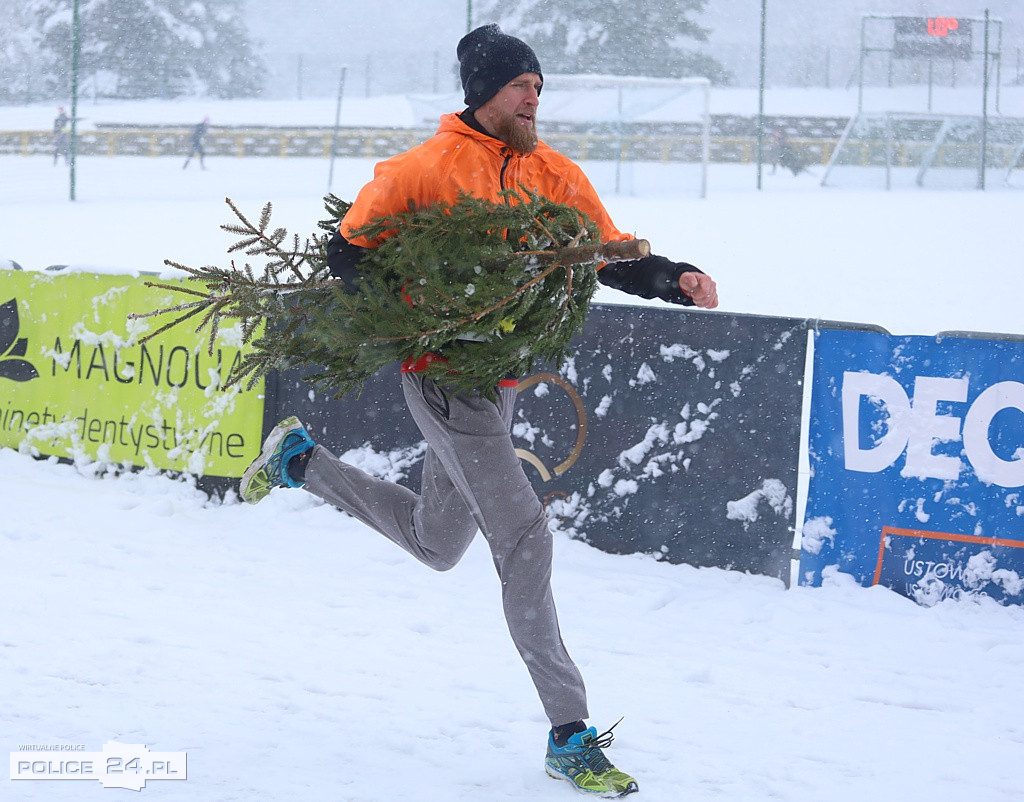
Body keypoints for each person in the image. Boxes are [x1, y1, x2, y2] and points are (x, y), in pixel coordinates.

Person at [240, 23, 718, 798]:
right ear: (486, 92)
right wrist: (410, 314)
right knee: (524, 536)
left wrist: (674, 276)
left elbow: (600, 253)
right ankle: (570, 733)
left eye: (539, 86)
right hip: (441, 377)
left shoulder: (553, 172)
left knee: (436, 544)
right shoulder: (427, 168)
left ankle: (299, 461)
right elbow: (350, 248)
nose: (535, 97)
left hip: (497, 380)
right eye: (522, 85)